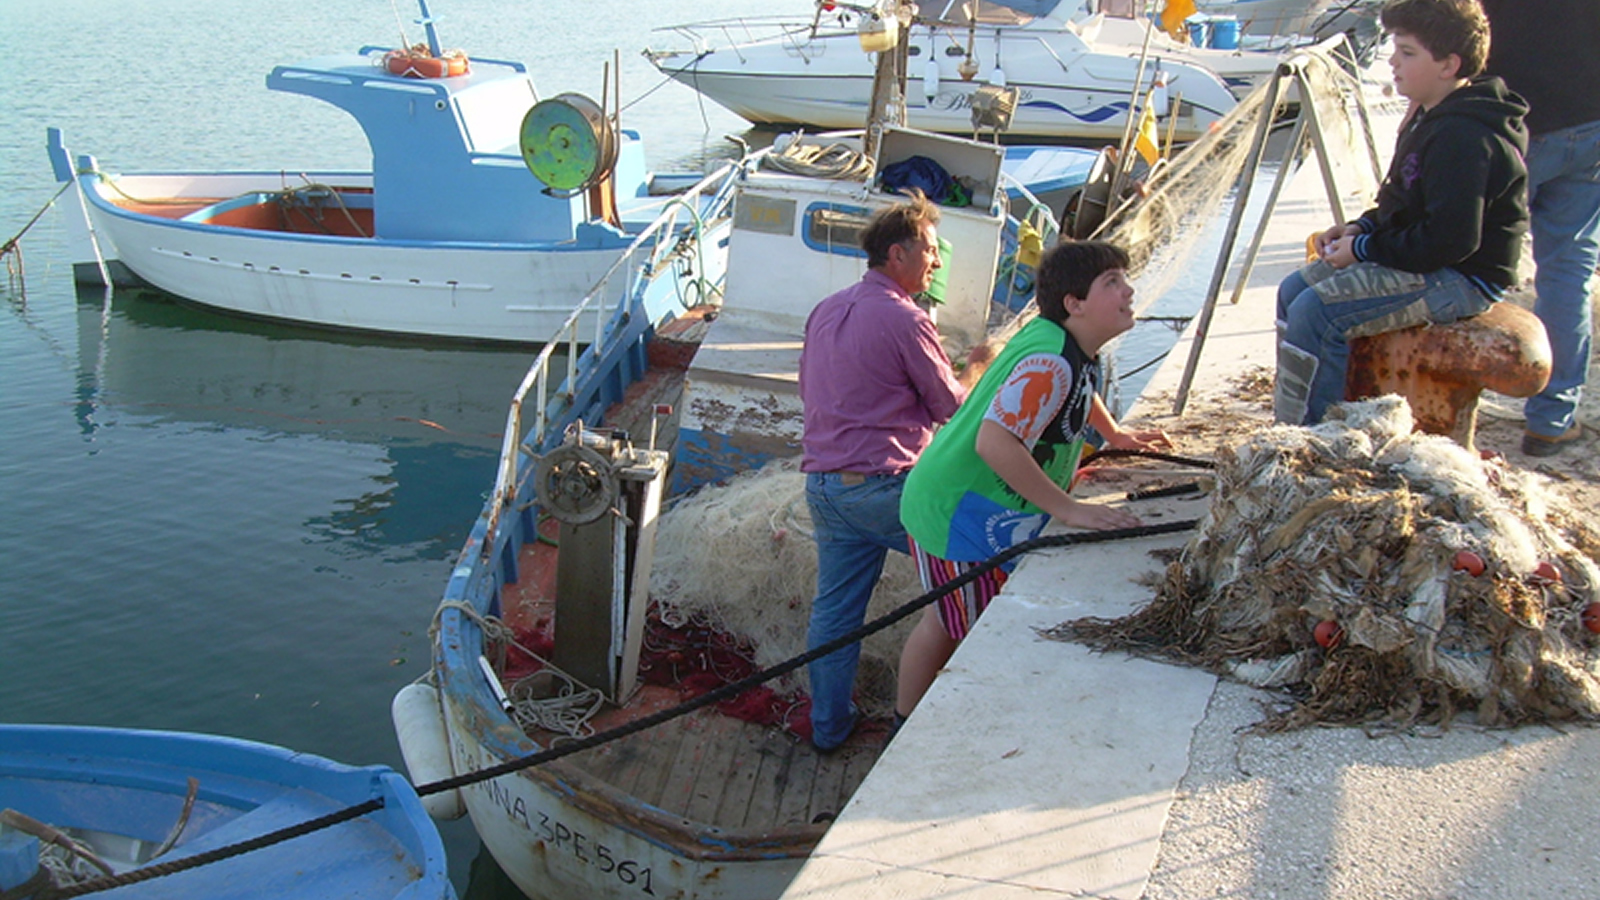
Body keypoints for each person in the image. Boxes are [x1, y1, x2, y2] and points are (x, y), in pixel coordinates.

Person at [894, 240, 1167, 723]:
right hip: (958, 510)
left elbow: (1081, 389)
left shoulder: (1068, 343)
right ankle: (906, 723)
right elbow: (995, 444)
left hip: (970, 501)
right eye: (1112, 282)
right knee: (950, 625)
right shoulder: (1050, 362)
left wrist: (1115, 435)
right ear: (1074, 304)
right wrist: (1070, 509)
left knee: (953, 617)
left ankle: (917, 716)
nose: (1129, 290)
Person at [1274, 0, 1528, 427]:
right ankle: (1293, 419)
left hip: (1465, 275)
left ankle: (1319, 437)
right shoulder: (1430, 115)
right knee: (1292, 290)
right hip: (1428, 255)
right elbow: (1403, 202)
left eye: (1407, 53)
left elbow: (1452, 240)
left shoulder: (1465, 136)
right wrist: (1361, 227)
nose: (1393, 62)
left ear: (1449, 65)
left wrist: (1364, 249)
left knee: (1317, 312)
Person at [796, 191, 976, 752]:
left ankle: (829, 728)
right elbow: (952, 409)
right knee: (982, 568)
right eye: (930, 250)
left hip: (824, 488)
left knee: (835, 618)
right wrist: (978, 375)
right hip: (881, 491)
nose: (937, 262)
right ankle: (935, 715)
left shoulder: (826, 308)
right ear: (897, 256)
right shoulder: (907, 320)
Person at [1481, 0, 1600, 457]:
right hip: (1587, 121)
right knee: (1569, 275)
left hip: (1512, 122)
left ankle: (1455, 394)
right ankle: (1552, 419)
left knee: (1473, 263)